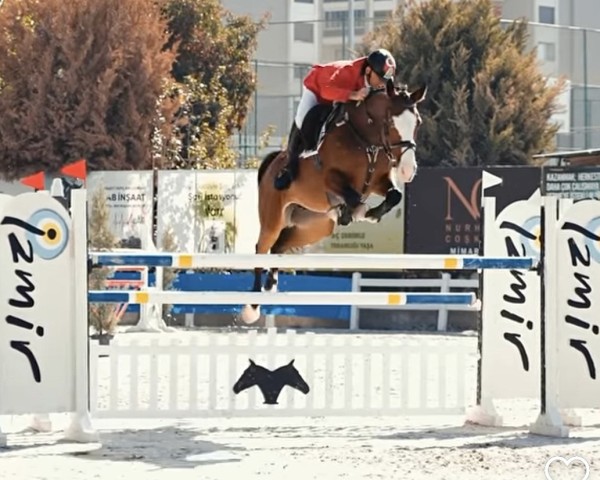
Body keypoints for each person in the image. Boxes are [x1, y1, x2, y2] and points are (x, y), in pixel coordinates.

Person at [273, 48, 397, 191]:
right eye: (381, 79)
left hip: (340, 96)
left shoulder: (377, 79)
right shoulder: (346, 71)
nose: (383, 84)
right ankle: (289, 166)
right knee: (302, 119)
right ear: (368, 71)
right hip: (318, 90)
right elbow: (326, 91)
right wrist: (353, 94)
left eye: (386, 80)